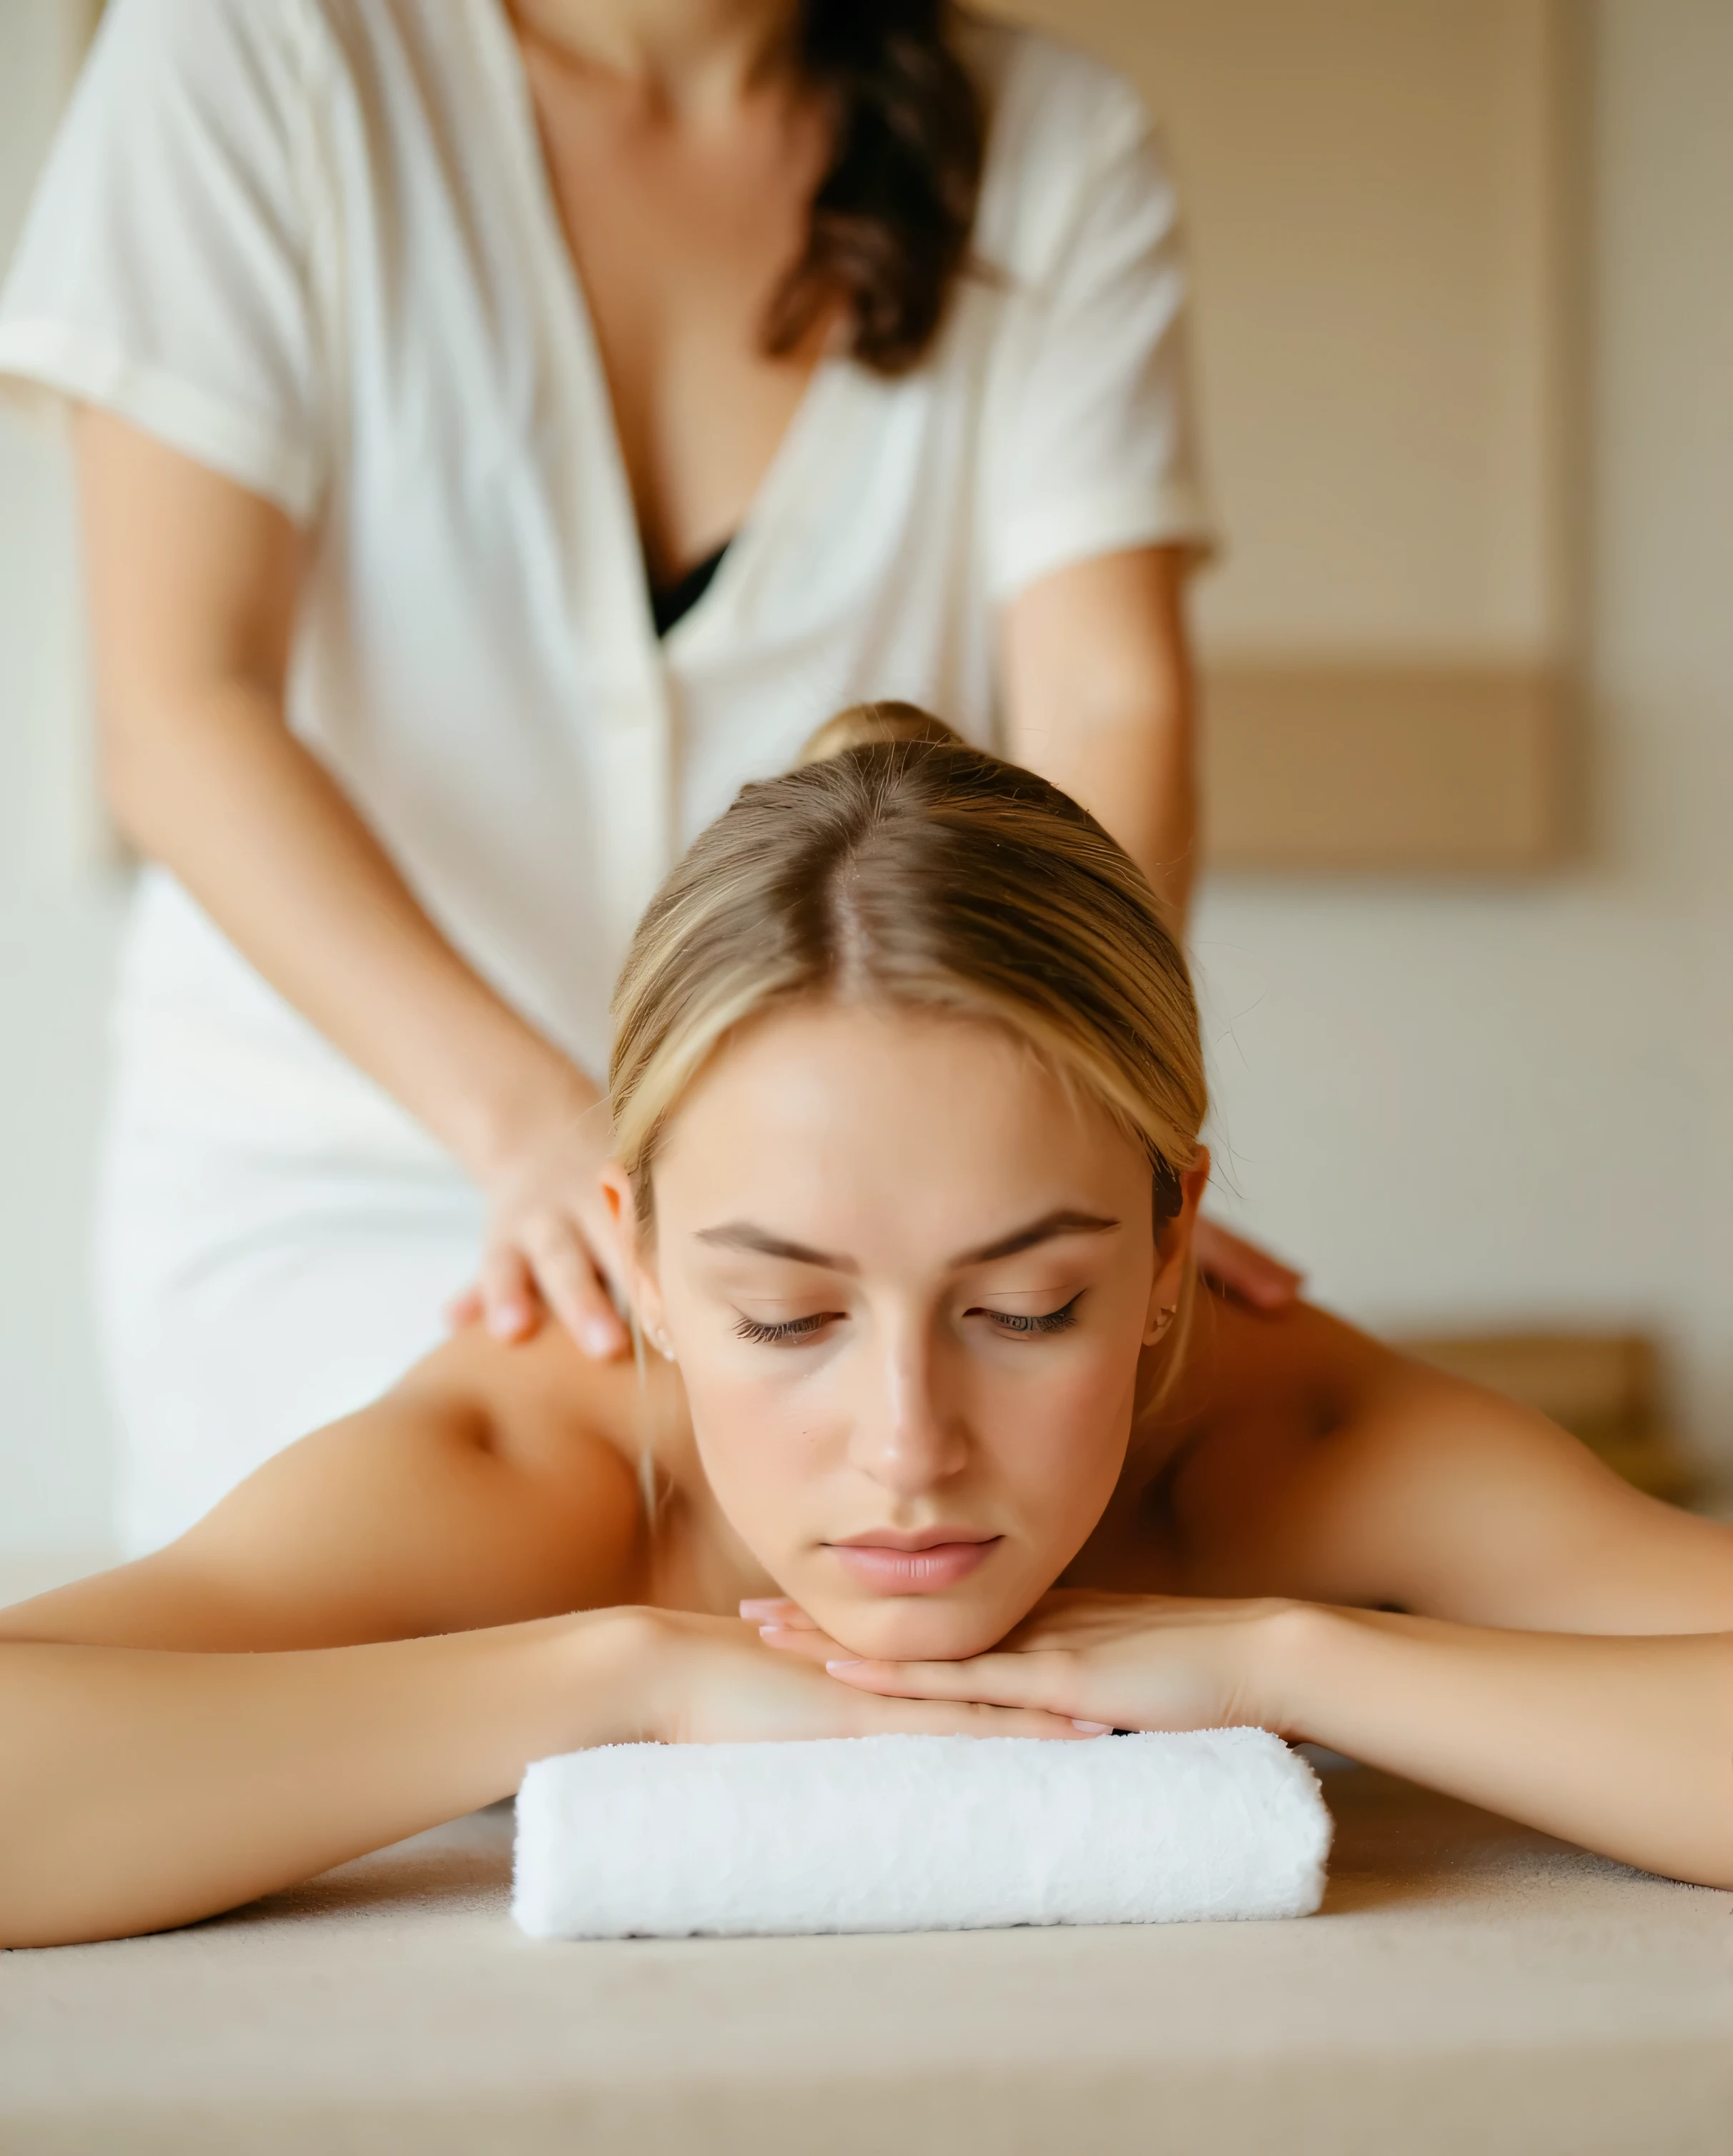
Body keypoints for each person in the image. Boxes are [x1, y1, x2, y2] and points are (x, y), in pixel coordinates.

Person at [1, 710, 1728, 1952]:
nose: (909, 1440)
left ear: (1173, 1245)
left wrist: (1290, 1656)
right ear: (646, 1262)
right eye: (783, 1312)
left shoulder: (1288, 1434)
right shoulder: (527, 1459)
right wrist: (624, 1677)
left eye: (1028, 1304)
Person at [0, 0, 1293, 1553]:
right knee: (525, 1592)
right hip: (358, 1157)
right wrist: (539, 1132)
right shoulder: (256, 51)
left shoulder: (1057, 144)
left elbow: (1111, 702)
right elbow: (181, 706)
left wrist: (1097, 1133)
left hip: (877, 1204)